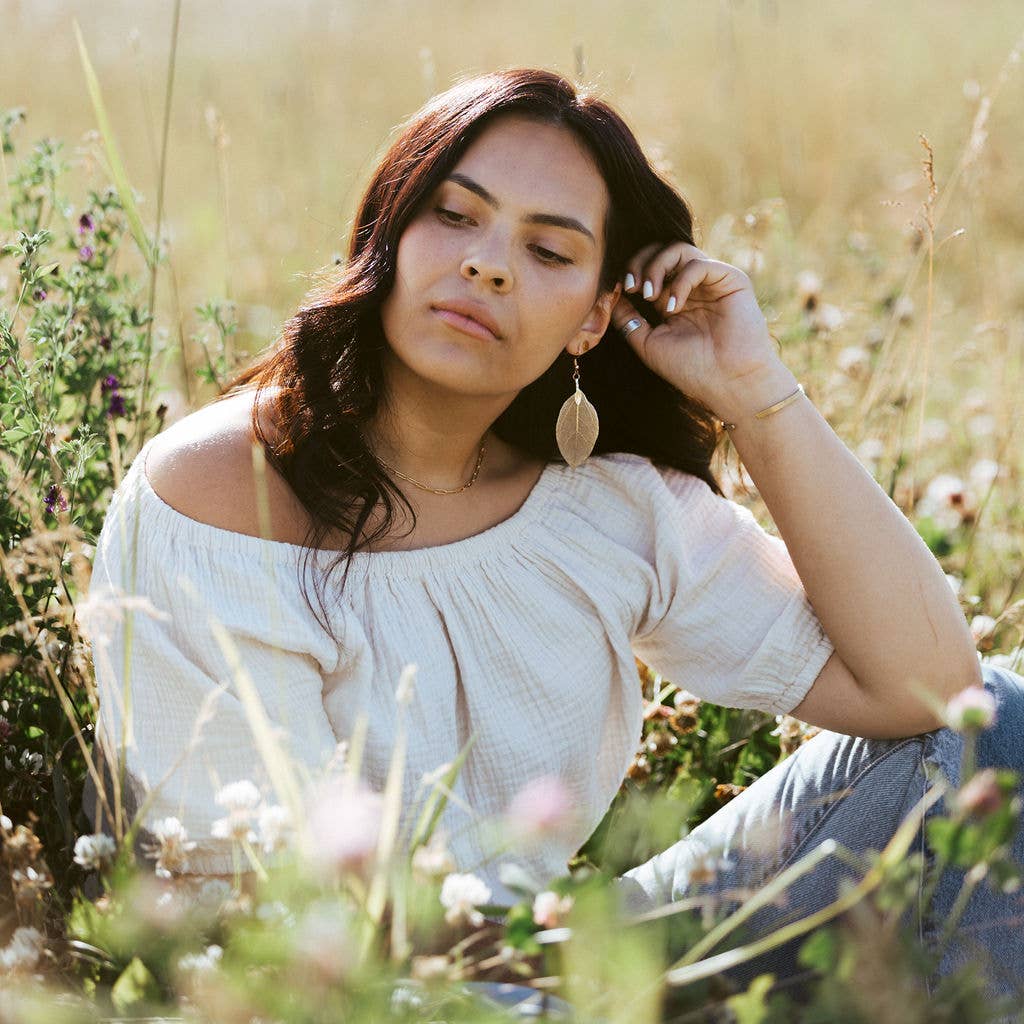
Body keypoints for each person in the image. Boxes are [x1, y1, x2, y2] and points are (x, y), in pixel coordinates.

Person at [81, 67, 1024, 1006]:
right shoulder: (224, 493)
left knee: (1002, 729)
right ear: (389, 232)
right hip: (338, 988)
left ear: (594, 318)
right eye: (455, 215)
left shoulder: (601, 505)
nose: (488, 263)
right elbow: (286, 907)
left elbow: (938, 690)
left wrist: (759, 399)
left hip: (547, 958)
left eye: (549, 251)